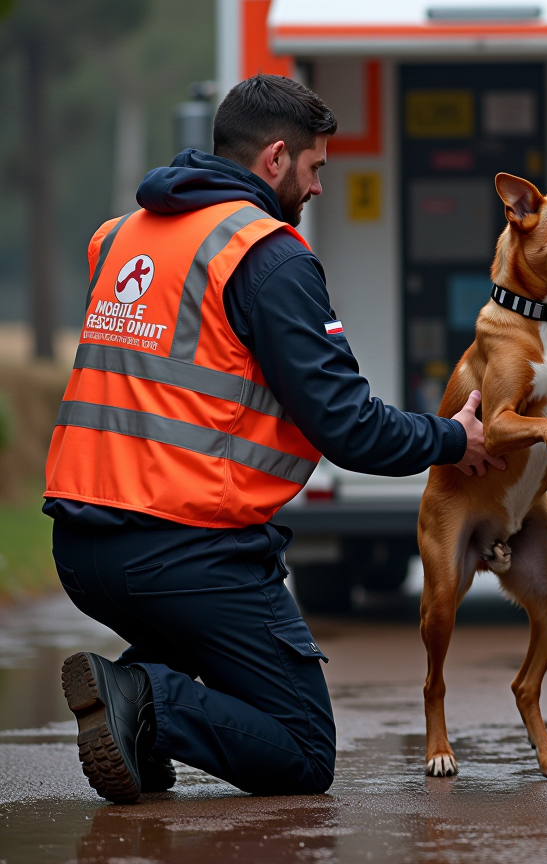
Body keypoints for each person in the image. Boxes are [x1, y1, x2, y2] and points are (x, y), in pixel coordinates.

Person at [45, 73, 504, 803]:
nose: (319, 187)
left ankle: (127, 711)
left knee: (195, 640)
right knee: (301, 750)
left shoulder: (121, 236)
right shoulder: (267, 255)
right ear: (276, 158)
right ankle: (144, 700)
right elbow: (347, 425)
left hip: (81, 546)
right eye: (317, 168)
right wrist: (452, 437)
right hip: (186, 549)